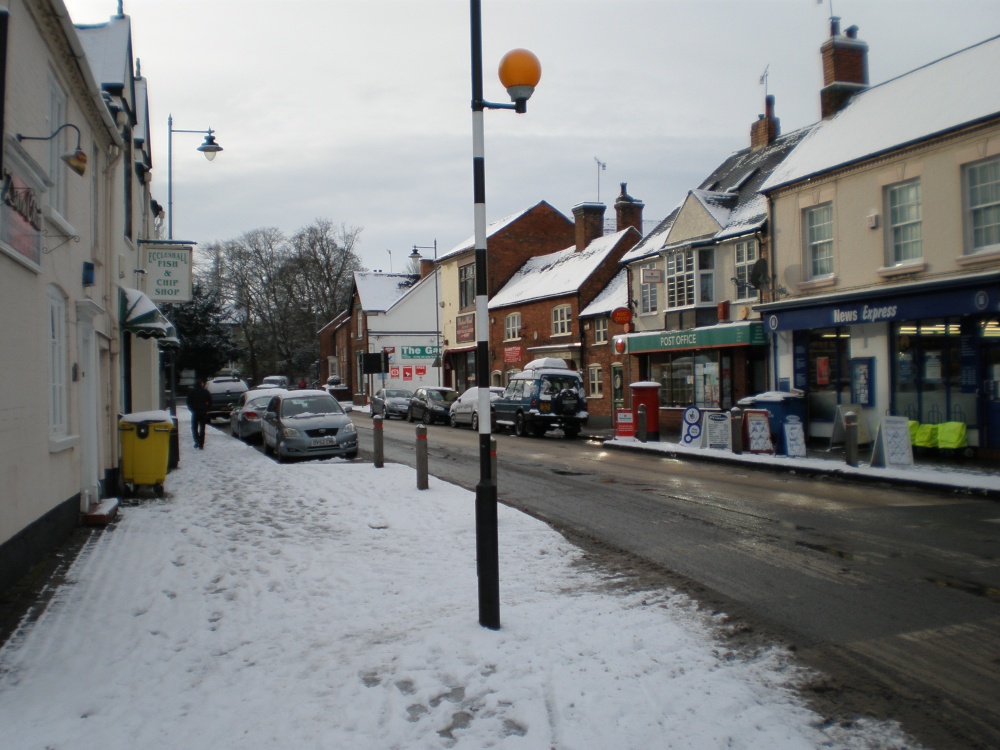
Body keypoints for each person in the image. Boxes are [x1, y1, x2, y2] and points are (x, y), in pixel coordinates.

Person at [187, 378, 212, 449]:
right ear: (201, 384)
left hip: (195, 412)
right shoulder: (206, 392)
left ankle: (197, 440)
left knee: (194, 428)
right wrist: (206, 409)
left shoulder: (191, 392)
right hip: (203, 412)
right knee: (202, 428)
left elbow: (188, 402)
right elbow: (210, 401)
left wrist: (191, 409)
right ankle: (201, 444)